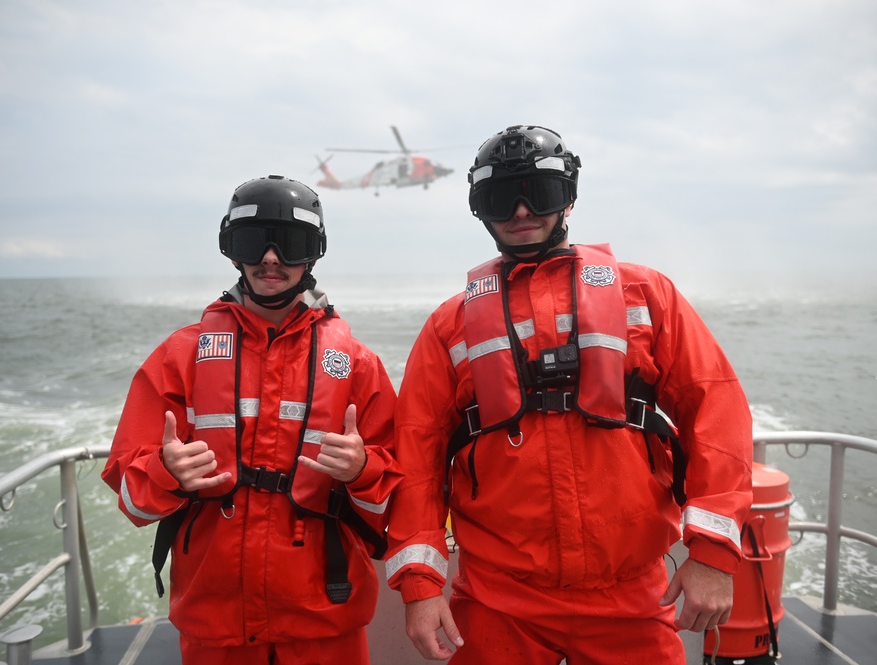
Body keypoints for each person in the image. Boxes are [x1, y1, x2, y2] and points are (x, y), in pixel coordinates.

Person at [384, 125, 753, 663]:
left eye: (541, 191)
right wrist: (420, 589)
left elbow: (716, 413)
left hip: (631, 597)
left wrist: (714, 555)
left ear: (570, 197)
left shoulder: (647, 295)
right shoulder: (450, 326)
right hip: (496, 600)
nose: (520, 210)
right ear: (479, 210)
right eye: (499, 198)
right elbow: (415, 459)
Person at [102, 175, 402, 665]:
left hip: (326, 616)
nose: (270, 258)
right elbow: (131, 499)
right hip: (214, 621)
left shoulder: (357, 364)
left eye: (291, 244)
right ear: (230, 249)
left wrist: (362, 469)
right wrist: (166, 471)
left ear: (314, 254)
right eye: (252, 242)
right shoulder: (180, 357)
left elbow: (397, 496)